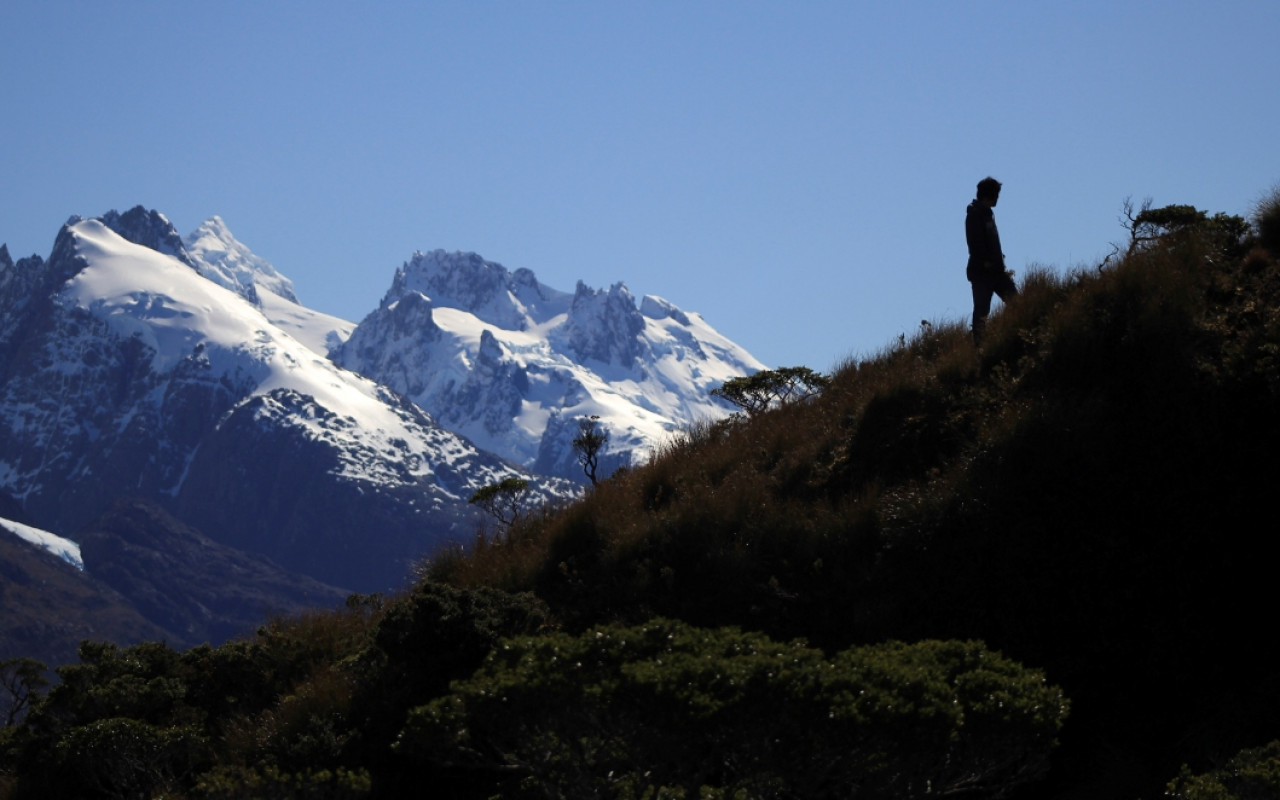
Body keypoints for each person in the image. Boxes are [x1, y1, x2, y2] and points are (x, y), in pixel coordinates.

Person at [966, 176, 1018, 344]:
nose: (998, 199)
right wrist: (986, 262)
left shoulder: (987, 214)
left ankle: (1016, 333)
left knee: (1015, 301)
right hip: (982, 273)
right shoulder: (975, 215)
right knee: (981, 312)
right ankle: (980, 347)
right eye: (996, 195)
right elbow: (974, 243)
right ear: (990, 195)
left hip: (996, 271)